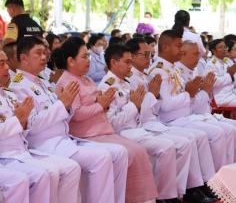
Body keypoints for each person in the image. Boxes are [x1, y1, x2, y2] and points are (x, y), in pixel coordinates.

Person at [52, 38, 177, 203]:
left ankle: (139, 199)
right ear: (70, 61)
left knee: (138, 151)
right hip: (87, 134)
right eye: (84, 57)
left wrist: (103, 105)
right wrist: (101, 105)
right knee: (130, 152)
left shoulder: (87, 79)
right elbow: (77, 114)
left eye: (88, 56)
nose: (88, 60)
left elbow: (101, 106)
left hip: (102, 129)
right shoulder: (68, 81)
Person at [9, 36, 117, 203]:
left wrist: (65, 106)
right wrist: (61, 105)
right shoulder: (18, 86)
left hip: (63, 139)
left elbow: (63, 112)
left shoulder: (43, 82)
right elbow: (31, 124)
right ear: (24, 58)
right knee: (99, 158)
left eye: (45, 53)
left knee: (109, 155)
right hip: (43, 143)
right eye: (38, 53)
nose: (45, 57)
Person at [98, 44, 205, 203]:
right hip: (123, 133)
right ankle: (165, 196)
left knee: (178, 143)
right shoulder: (108, 86)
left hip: (138, 128)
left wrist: (144, 100)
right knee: (168, 146)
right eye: (127, 62)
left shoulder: (125, 83)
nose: (130, 65)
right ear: (114, 62)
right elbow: (112, 122)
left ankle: (174, 193)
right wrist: (135, 104)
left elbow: (140, 112)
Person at [127, 38, 218, 202]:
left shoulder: (152, 74)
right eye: (146, 54)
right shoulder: (151, 73)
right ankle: (178, 193)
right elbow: (161, 106)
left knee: (199, 136)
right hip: (153, 123)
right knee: (193, 138)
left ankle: (200, 185)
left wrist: (192, 93)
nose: (149, 57)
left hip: (159, 121)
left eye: (150, 54)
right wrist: (187, 94)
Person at [0, 50, 81, 203]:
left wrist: (22, 121)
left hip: (22, 151)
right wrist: (18, 119)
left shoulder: (9, 94)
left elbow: (26, 125)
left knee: (64, 169)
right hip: (6, 155)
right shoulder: (18, 85)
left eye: (6, 62)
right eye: (1, 63)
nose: (6, 67)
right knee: (36, 175)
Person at [147, 31, 230, 173]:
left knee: (224, 131)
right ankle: (207, 181)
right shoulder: (158, 71)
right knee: (213, 134)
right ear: (166, 47)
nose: (181, 50)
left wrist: (191, 94)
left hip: (185, 116)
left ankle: (213, 179)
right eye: (179, 46)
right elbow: (165, 105)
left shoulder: (172, 68)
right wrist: (189, 94)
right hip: (171, 119)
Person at [177, 40, 236, 163]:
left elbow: (231, 81)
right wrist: (228, 76)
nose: (199, 58)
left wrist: (233, 77)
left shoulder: (222, 63)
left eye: (225, 47)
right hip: (219, 99)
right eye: (196, 54)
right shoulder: (209, 64)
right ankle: (222, 170)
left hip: (209, 107)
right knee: (222, 132)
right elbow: (213, 84)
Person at [205, 39, 236, 107]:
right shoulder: (211, 64)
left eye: (225, 47)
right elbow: (215, 82)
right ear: (213, 51)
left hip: (231, 95)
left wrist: (231, 76)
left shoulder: (225, 62)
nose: (224, 49)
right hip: (221, 98)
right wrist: (230, 74)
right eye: (221, 47)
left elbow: (230, 80)